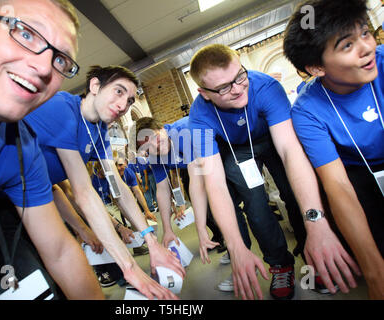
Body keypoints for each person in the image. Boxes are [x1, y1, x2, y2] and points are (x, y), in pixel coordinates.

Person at [0, 0, 105, 299]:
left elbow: (61, 251)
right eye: (26, 34)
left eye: (60, 60)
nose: (43, 68)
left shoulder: (22, 147)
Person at [187, 43, 361, 300]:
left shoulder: (266, 86)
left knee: (293, 192)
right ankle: (280, 264)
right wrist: (235, 246)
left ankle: (314, 256)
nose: (237, 89)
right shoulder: (198, 117)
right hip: (238, 151)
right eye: (224, 88)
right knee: (256, 206)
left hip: (272, 135)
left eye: (239, 77)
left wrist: (317, 222)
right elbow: (213, 182)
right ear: (204, 93)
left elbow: (290, 151)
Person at [23, 65, 185, 300]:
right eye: (118, 92)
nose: (123, 105)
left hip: (36, 197)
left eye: (130, 101)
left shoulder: (98, 131)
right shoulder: (62, 108)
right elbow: (83, 192)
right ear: (95, 86)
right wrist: (130, 268)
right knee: (35, 283)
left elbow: (118, 186)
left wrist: (151, 241)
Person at [283, 0, 384, 299]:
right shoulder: (307, 110)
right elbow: (337, 185)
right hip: (358, 174)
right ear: (316, 67)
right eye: (347, 44)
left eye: (366, 33)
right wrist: (375, 273)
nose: (366, 47)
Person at [135, 116, 228, 254]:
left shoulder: (183, 132)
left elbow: (197, 179)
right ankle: (227, 244)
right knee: (205, 207)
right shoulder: (155, 155)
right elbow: (162, 190)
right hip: (196, 168)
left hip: (223, 154)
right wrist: (167, 230)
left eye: (154, 138)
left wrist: (200, 228)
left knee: (224, 204)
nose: (154, 146)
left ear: (162, 129)